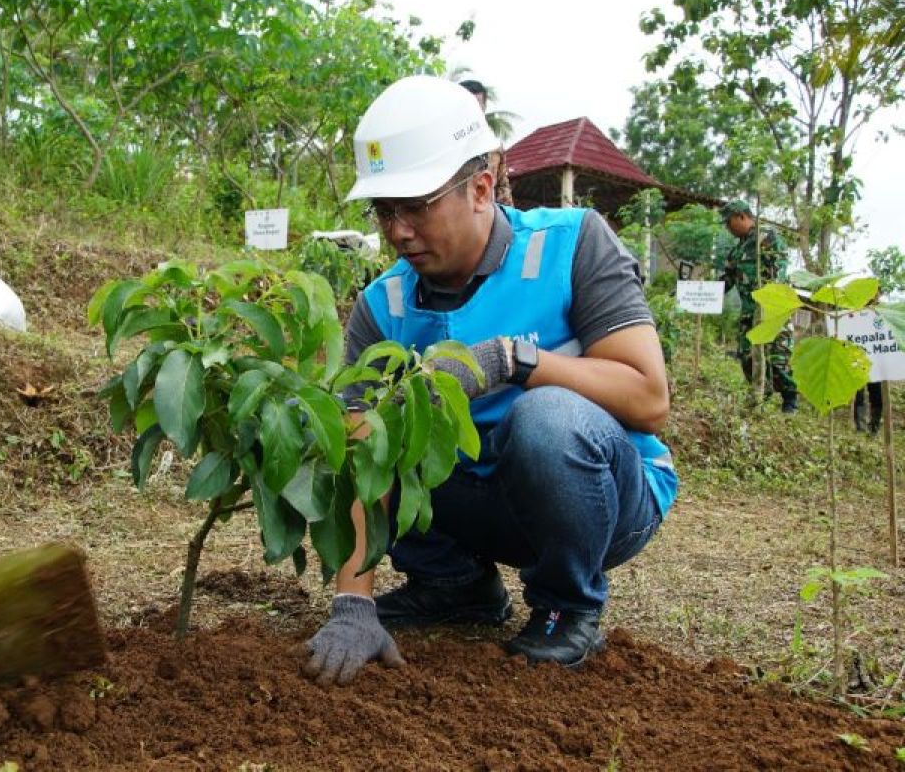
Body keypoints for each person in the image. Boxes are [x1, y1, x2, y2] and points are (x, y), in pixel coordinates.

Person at [302, 76, 678, 683]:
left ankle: (566, 606)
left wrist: (512, 361)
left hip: (604, 492)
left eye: (416, 207)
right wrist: (353, 603)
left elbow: (648, 398)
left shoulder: (571, 244)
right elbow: (359, 452)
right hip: (479, 496)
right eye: (384, 212)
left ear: (480, 188)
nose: (398, 232)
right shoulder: (385, 303)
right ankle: (454, 583)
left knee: (546, 419)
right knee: (363, 423)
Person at [719, 199, 799, 413]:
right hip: (748, 314)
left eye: (729, 222)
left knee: (778, 358)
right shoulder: (736, 252)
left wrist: (767, 300)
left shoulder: (768, 238)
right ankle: (760, 395)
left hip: (772, 311)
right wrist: (696, 292)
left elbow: (778, 271)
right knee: (747, 357)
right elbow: (725, 281)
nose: (728, 228)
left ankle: (790, 400)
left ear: (742, 216)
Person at [458, 79, 514, 207]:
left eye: (477, 105)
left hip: (486, 218)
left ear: (484, 107)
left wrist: (508, 219)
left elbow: (502, 187)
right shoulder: (445, 145)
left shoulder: (494, 146)